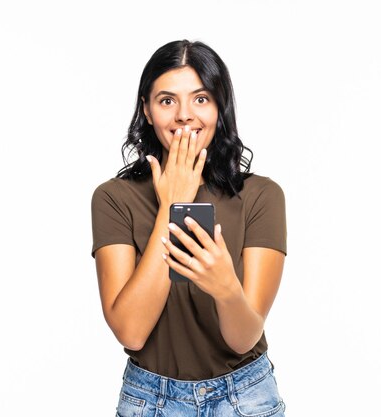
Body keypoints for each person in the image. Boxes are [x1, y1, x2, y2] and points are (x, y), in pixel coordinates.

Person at [90, 39, 288, 417]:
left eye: (200, 99)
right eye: (167, 101)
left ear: (220, 108)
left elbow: (243, 339)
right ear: (147, 110)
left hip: (245, 396)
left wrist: (227, 288)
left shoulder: (261, 196)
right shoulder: (114, 198)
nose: (184, 115)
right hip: (150, 399)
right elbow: (131, 331)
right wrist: (170, 205)